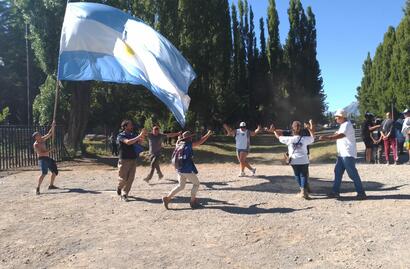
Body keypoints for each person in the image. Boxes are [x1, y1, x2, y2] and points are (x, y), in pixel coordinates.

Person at [319, 109, 367, 199]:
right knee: (337, 171)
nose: (335, 118)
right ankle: (335, 191)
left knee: (352, 174)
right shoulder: (343, 125)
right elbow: (338, 134)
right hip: (342, 154)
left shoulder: (347, 125)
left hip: (347, 154)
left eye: (337, 117)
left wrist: (328, 138)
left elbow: (340, 135)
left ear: (342, 117)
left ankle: (361, 193)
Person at [162, 130, 213, 210]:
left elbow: (177, 142)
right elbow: (200, 142)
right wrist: (208, 134)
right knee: (196, 184)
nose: (192, 138)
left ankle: (167, 198)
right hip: (186, 169)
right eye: (191, 137)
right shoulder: (189, 144)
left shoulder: (179, 144)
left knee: (181, 186)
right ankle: (193, 202)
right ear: (189, 138)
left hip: (179, 169)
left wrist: (179, 138)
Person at [270, 121, 315, 199]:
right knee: (304, 175)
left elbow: (278, 137)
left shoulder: (289, 139)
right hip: (304, 159)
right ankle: (304, 192)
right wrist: (309, 129)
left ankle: (302, 191)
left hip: (294, 160)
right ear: (301, 129)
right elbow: (313, 137)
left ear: (292, 128)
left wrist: (274, 130)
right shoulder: (304, 139)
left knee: (297, 175)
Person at [116, 120, 146, 201]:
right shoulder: (120, 135)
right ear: (125, 126)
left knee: (131, 178)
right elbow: (128, 142)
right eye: (130, 125)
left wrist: (142, 136)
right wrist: (139, 136)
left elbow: (140, 141)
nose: (132, 126)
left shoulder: (133, 134)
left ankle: (125, 193)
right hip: (124, 160)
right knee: (123, 178)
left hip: (133, 158)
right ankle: (119, 187)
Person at [33, 121, 58, 195]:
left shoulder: (42, 139)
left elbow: (49, 134)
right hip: (42, 160)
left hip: (47, 158)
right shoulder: (36, 145)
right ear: (35, 137)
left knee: (54, 172)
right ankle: (38, 188)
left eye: (39, 134)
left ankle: (51, 185)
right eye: (38, 135)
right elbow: (41, 153)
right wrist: (51, 150)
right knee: (44, 173)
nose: (40, 135)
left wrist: (52, 126)